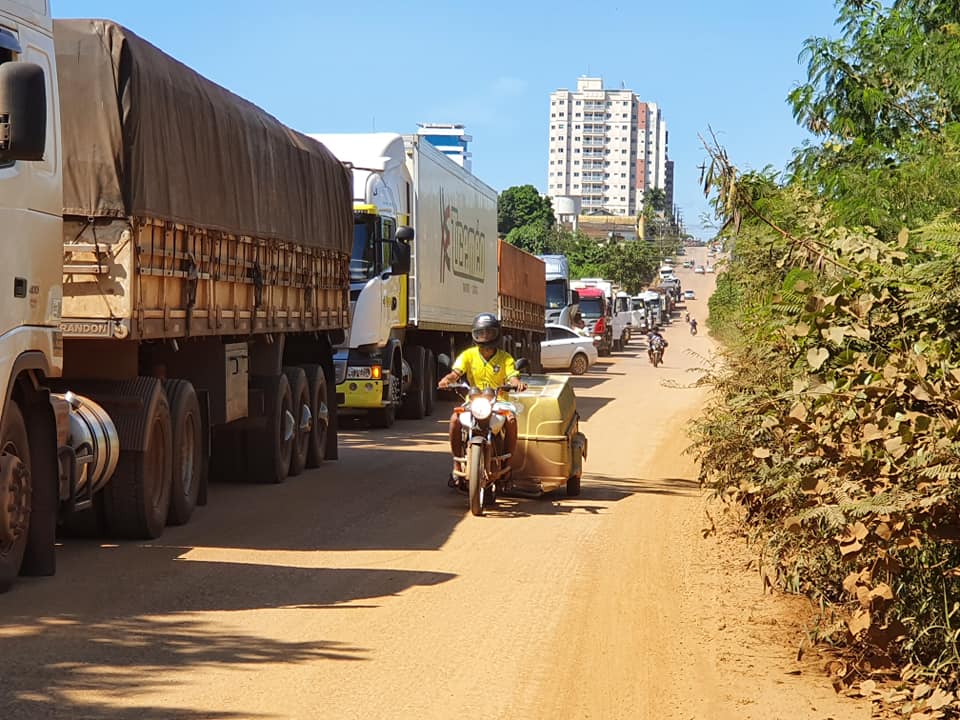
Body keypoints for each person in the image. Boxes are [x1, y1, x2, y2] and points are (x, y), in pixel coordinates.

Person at [437, 313, 528, 487]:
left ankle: (507, 468)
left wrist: (517, 383)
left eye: (489, 333)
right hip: (474, 401)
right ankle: (456, 464)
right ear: (474, 335)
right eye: (481, 333)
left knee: (511, 420)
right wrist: (447, 380)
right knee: (455, 419)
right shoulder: (468, 355)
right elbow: (456, 373)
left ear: (497, 334)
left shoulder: (505, 357)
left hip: (499, 401)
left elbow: (512, 377)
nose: (485, 337)